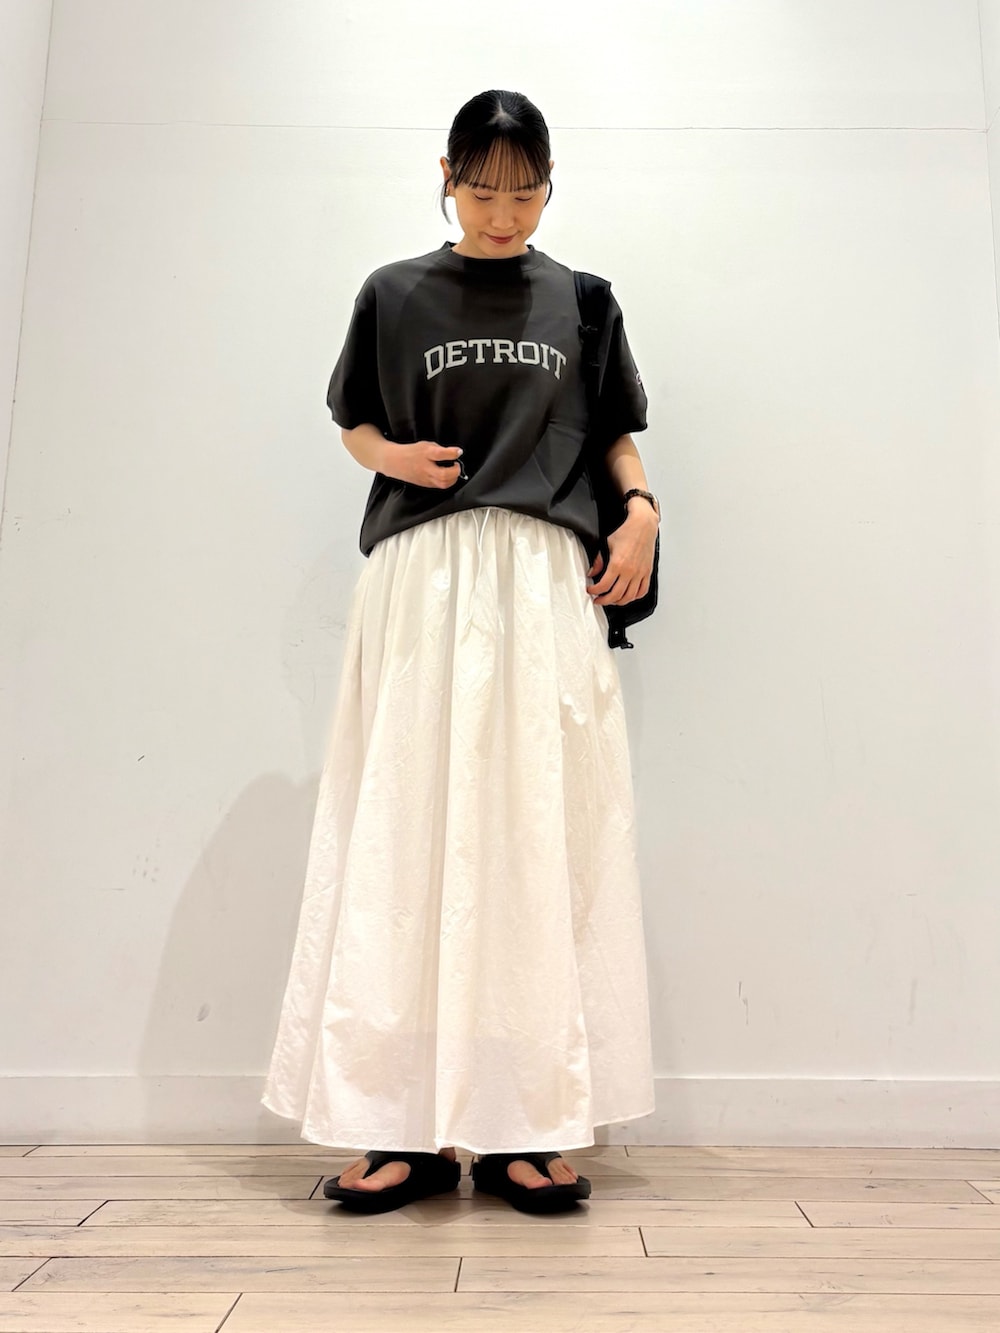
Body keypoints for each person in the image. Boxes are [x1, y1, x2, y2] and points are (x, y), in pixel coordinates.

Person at [261, 89, 658, 1215]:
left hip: (538, 577)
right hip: (423, 572)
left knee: (535, 833)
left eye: (525, 193)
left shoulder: (582, 299)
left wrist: (642, 512)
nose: (503, 214)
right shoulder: (393, 293)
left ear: (550, 185)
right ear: (446, 176)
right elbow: (352, 418)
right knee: (406, 830)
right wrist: (390, 454)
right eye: (482, 190)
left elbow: (615, 431)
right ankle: (403, 1125)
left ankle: (527, 1121)